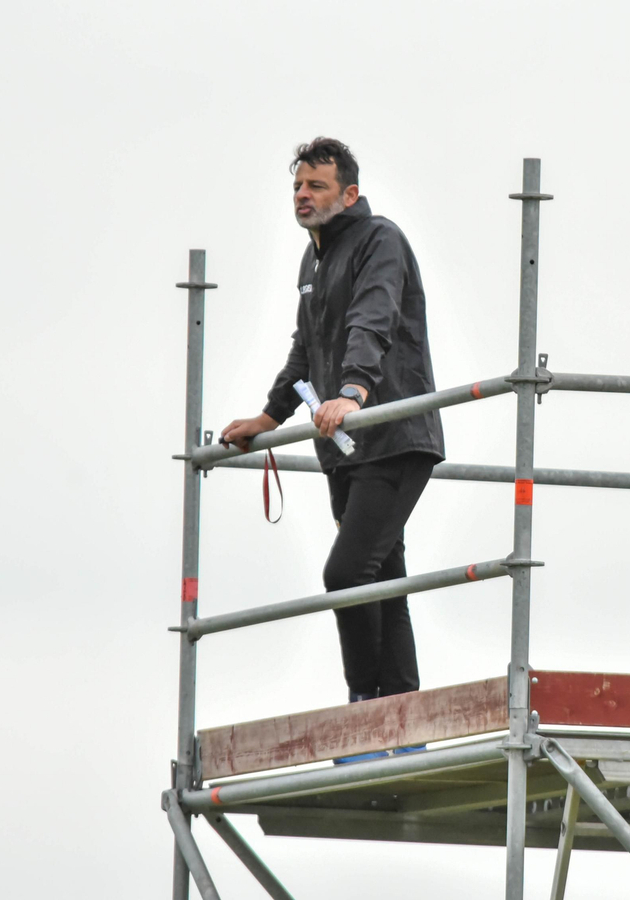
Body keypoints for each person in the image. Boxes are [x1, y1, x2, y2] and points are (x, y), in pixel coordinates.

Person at [221, 137, 444, 757]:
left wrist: (352, 390)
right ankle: (405, 722)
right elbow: (306, 346)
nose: (302, 196)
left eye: (316, 187)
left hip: (392, 437)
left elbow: (373, 319)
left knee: (347, 573)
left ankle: (365, 716)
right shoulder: (312, 260)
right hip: (345, 447)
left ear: (348, 193)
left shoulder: (379, 240)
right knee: (383, 577)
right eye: (298, 187)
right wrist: (269, 414)